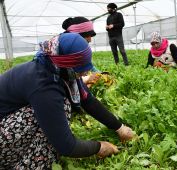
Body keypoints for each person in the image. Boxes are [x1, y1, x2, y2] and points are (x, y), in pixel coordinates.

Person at [0, 33, 134, 169]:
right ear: (66, 64)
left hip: (8, 125)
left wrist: (120, 128)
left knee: (55, 113)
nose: (86, 72)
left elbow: (88, 101)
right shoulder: (44, 84)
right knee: (58, 111)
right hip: (3, 136)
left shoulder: (56, 68)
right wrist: (99, 147)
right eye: (81, 70)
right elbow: (67, 146)